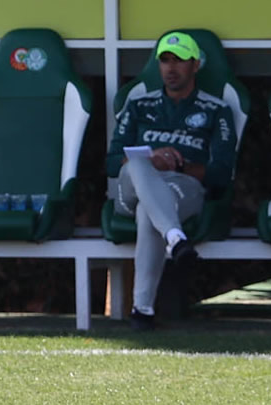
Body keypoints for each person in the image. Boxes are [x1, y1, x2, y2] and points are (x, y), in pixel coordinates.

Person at [106, 31, 237, 331]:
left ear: (196, 65)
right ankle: (175, 237)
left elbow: (220, 173)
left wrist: (180, 164)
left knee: (148, 213)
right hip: (132, 189)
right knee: (139, 164)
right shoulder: (138, 106)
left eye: (179, 61)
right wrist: (152, 159)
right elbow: (112, 162)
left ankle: (143, 310)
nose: (170, 68)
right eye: (165, 60)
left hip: (183, 187)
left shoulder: (217, 111)